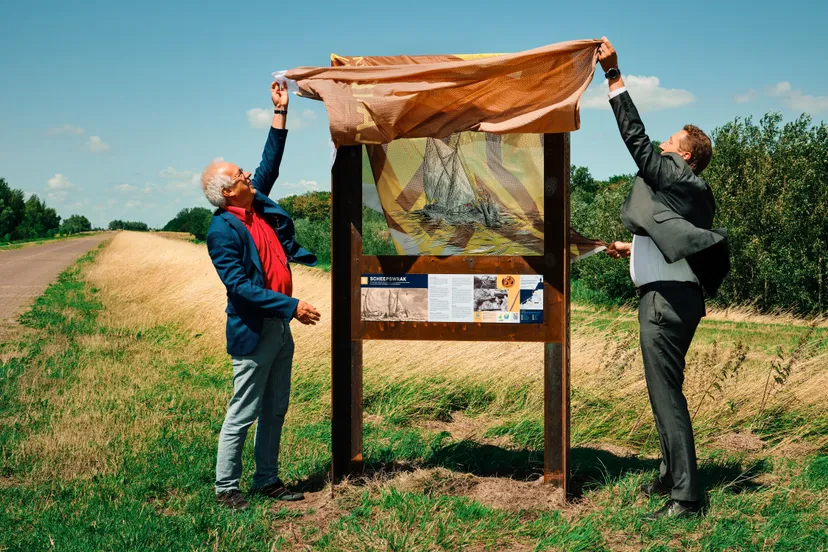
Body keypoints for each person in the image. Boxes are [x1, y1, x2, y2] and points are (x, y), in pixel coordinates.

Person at [598, 37, 730, 520]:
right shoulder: (684, 191)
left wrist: (614, 76)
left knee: (667, 396)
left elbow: (636, 141)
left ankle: (687, 498)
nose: (661, 147)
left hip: (664, 303)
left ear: (686, 158)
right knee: (663, 393)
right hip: (673, 296)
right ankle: (670, 476)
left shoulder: (680, 177)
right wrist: (630, 248)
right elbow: (671, 239)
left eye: (671, 144)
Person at [201, 81, 321, 511]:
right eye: (240, 175)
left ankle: (267, 480)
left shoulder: (257, 205)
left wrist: (280, 111)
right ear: (226, 192)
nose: (248, 176)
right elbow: (240, 288)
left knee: (275, 409)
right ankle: (226, 488)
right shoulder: (222, 230)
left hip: (280, 329)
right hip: (254, 331)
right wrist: (292, 306)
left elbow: (270, 161)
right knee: (244, 412)